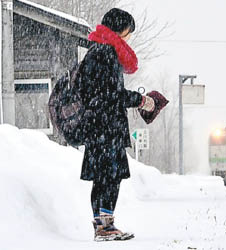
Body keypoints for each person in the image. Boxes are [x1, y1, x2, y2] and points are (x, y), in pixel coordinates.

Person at [78, 8, 155, 241]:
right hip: (105, 127)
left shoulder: (96, 51)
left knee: (105, 177)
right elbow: (112, 94)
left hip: (99, 126)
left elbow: (100, 92)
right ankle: (104, 227)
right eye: (128, 32)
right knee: (109, 177)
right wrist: (141, 100)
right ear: (120, 29)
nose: (128, 37)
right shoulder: (105, 53)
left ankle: (104, 226)